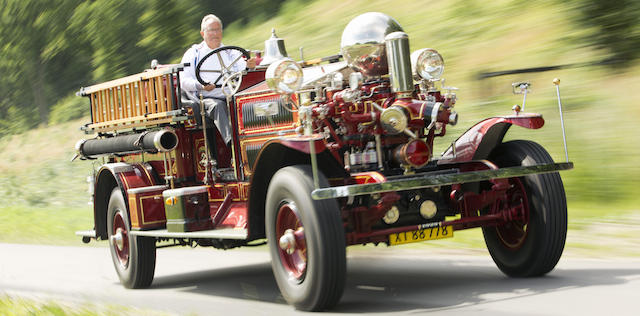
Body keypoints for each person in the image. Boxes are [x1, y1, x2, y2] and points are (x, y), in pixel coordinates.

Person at [180, 14, 256, 145]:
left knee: (248, 101)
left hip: (231, 93)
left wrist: (249, 66)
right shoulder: (193, 53)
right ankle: (233, 144)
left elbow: (241, 68)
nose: (215, 34)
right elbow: (184, 81)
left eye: (218, 30)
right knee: (217, 106)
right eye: (211, 30)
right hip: (206, 97)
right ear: (202, 33)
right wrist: (201, 86)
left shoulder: (230, 52)